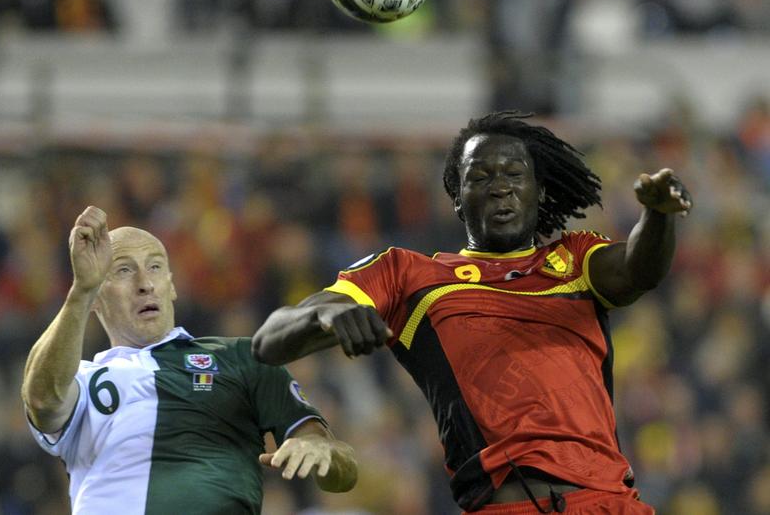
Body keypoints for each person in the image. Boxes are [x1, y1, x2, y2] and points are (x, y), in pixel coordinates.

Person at [252, 111, 692, 514]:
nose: (499, 185)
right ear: (458, 199)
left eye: (514, 174)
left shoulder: (576, 260)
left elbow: (641, 269)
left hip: (609, 503)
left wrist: (658, 216)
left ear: (539, 192)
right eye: (479, 176)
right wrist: (325, 318)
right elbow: (269, 339)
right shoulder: (409, 275)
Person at [21, 206, 357, 515]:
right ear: (97, 296)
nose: (144, 284)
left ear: (171, 286)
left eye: (155, 267)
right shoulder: (80, 378)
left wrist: (318, 448)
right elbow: (41, 399)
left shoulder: (241, 358)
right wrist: (81, 291)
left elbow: (342, 470)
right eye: (123, 270)